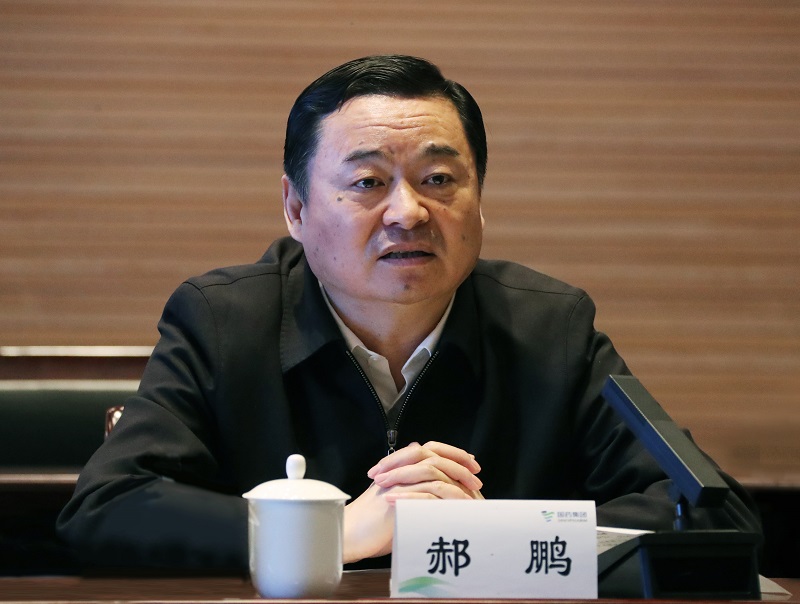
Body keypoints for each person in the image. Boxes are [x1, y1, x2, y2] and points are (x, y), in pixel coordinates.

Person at [57, 55, 760, 572]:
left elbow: (714, 513)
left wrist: (491, 539)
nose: (408, 212)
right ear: (296, 208)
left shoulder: (550, 327)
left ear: (479, 203)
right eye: (368, 181)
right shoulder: (223, 320)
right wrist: (332, 533)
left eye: (439, 179)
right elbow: (106, 508)